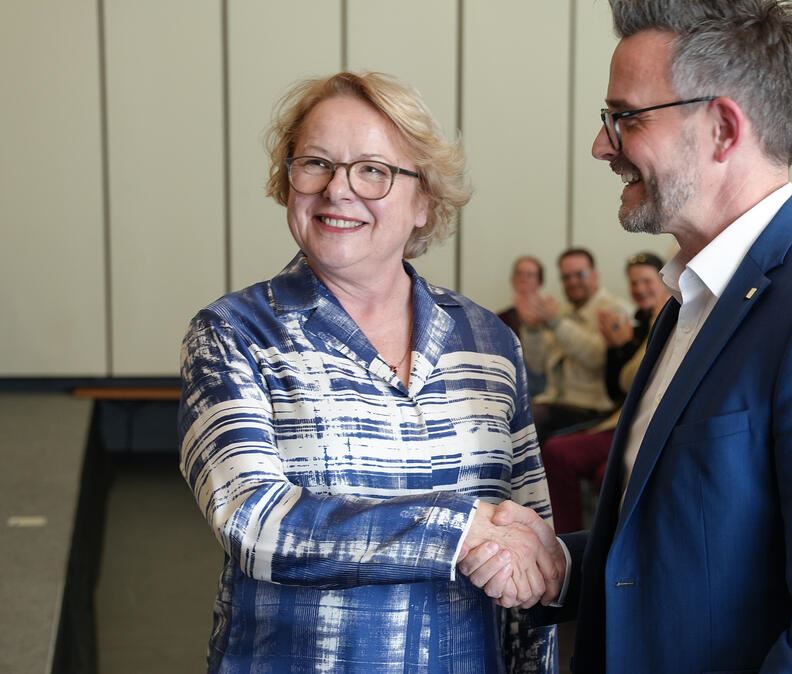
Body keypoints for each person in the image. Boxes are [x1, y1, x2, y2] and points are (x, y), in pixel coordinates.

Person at [463, 1, 792, 671]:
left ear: (720, 128)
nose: (602, 144)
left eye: (624, 117)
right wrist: (557, 562)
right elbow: (686, 543)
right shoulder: (693, 298)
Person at [177, 71, 563, 673]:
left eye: (373, 170)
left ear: (423, 201)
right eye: (316, 164)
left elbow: (527, 532)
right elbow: (253, 521)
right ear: (288, 183)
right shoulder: (233, 333)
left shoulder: (488, 341)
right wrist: (458, 530)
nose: (339, 190)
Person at [542, 252, 669, 533]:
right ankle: (571, 542)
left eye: (647, 281)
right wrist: (619, 349)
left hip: (625, 420)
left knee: (591, 468)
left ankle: (577, 543)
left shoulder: (640, 317)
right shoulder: (639, 321)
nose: (640, 289)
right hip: (619, 417)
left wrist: (622, 347)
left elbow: (631, 380)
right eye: (634, 283)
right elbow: (619, 386)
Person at [518, 248, 632, 441]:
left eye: (580, 275)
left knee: (528, 419)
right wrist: (533, 329)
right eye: (566, 277)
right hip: (556, 402)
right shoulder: (562, 312)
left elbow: (599, 357)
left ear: (595, 275)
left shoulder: (615, 309)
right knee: (513, 413)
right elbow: (538, 366)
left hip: (592, 408)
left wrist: (556, 323)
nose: (572, 282)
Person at [498, 255, 548, 397]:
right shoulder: (501, 318)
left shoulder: (550, 316)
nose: (523, 279)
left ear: (540, 281)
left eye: (530, 275)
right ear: (512, 280)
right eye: (519, 274)